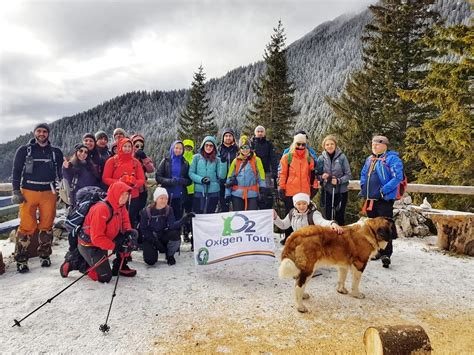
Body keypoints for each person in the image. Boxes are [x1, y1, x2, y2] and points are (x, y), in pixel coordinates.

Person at [11, 123, 64, 273]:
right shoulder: (24, 150)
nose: (42, 134)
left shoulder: (55, 152)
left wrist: (64, 187)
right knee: (26, 226)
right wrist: (16, 191)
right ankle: (21, 259)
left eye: (45, 131)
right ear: (34, 133)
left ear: (48, 134)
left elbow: (61, 172)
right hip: (28, 191)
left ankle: (45, 255)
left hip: (49, 191)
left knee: (47, 225)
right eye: (39, 131)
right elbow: (16, 171)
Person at [78, 181, 138, 282]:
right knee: (105, 277)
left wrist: (129, 232)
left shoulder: (121, 206)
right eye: (122, 194)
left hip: (106, 238)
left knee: (129, 239)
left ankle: (120, 265)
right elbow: (96, 238)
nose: (124, 197)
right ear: (115, 193)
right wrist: (114, 246)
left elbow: (125, 222)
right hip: (90, 244)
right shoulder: (101, 209)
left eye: (127, 195)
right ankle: (77, 263)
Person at [360, 135, 404, 268]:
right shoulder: (370, 159)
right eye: (373, 144)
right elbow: (363, 174)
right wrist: (363, 185)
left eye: (378, 144)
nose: (374, 146)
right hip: (370, 198)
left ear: (385, 145)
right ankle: (377, 251)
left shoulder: (392, 159)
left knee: (385, 226)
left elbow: (398, 177)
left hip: (384, 199)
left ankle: (386, 253)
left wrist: (383, 190)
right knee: (372, 226)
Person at [278, 133, 318, 245]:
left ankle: (305, 239)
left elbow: (313, 175)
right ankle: (288, 238)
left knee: (306, 216)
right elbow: (282, 174)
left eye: (303, 144)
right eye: (298, 144)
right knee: (290, 215)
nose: (300, 146)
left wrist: (314, 186)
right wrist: (281, 188)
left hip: (304, 192)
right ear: (294, 144)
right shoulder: (287, 158)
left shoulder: (309, 159)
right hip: (290, 191)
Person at [140, 187, 194, 266]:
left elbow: (172, 225)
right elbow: (144, 229)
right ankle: (153, 251)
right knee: (150, 260)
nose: (164, 201)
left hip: (163, 235)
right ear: (156, 199)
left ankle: (169, 255)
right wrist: (155, 242)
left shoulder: (169, 210)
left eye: (166, 198)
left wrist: (184, 219)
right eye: (161, 198)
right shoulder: (146, 211)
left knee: (175, 234)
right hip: (151, 237)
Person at [102, 138, 146, 228]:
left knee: (130, 218)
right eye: (125, 146)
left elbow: (141, 180)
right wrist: (119, 182)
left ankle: (129, 237)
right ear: (120, 147)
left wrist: (134, 182)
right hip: (116, 197)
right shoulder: (112, 161)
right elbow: (105, 178)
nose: (127, 149)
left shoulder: (136, 162)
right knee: (115, 219)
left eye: (129, 146)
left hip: (132, 196)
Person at [316, 135, 352, 226]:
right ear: (324, 146)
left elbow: (348, 174)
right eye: (327, 144)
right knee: (328, 216)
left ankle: (340, 237)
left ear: (335, 145)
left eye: (332, 144)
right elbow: (317, 174)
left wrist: (339, 180)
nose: (330, 146)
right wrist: (322, 177)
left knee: (340, 216)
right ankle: (329, 237)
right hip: (328, 191)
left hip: (341, 191)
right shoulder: (321, 158)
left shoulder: (342, 157)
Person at [225, 135, 266, 211]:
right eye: (242, 147)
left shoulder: (257, 160)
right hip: (237, 194)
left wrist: (262, 189)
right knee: (238, 217)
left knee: (251, 216)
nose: (245, 150)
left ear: (250, 148)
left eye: (246, 147)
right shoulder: (236, 161)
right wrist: (227, 193)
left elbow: (261, 176)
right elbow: (230, 177)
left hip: (252, 193)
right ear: (240, 149)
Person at [189, 136, 227, 214]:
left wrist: (223, 163)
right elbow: (191, 173)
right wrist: (201, 180)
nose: (208, 147)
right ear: (203, 145)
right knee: (198, 213)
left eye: (211, 145)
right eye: (207, 145)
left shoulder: (217, 159)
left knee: (210, 214)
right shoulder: (196, 158)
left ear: (214, 147)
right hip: (199, 190)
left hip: (214, 191)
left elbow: (221, 176)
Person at [273, 193, 343, 234]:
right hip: (299, 243)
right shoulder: (292, 213)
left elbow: (322, 222)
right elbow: (283, 225)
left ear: (308, 204)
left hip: (312, 245)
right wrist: (275, 217)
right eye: (299, 204)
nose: (301, 206)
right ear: (295, 205)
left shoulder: (313, 214)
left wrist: (332, 223)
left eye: (304, 203)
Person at [155, 140, 191, 220]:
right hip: (166, 196)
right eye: (176, 148)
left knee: (177, 218)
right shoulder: (166, 161)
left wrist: (181, 181)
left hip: (180, 196)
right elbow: (158, 177)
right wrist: (170, 181)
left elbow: (189, 181)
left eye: (180, 148)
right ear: (172, 148)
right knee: (164, 218)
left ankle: (177, 232)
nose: (178, 150)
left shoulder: (185, 163)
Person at [251, 125, 279, 209]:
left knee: (265, 193)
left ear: (264, 133)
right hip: (253, 172)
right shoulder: (251, 144)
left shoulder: (268, 144)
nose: (260, 133)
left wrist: (274, 172)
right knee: (254, 192)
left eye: (261, 131)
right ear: (255, 133)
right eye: (258, 132)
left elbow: (273, 158)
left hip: (266, 172)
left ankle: (265, 209)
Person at [131, 134, 155, 228]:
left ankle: (139, 229)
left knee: (140, 210)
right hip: (132, 189)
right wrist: (134, 157)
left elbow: (151, 169)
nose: (139, 148)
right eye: (137, 146)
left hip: (142, 189)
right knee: (132, 211)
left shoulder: (144, 157)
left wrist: (144, 158)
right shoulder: (130, 156)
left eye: (141, 146)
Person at [218, 128, 239, 212]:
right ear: (223, 138)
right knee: (223, 205)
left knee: (236, 205)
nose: (228, 138)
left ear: (233, 137)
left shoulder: (237, 149)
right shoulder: (219, 150)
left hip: (235, 180)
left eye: (230, 136)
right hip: (222, 181)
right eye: (226, 136)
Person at [182, 139, 195, 243]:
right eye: (186, 147)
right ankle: (185, 232)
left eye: (190, 147)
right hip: (183, 190)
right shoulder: (180, 159)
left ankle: (191, 232)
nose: (188, 149)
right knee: (185, 213)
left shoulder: (194, 158)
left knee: (191, 212)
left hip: (193, 190)